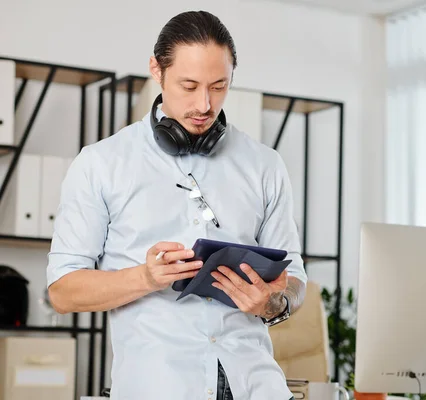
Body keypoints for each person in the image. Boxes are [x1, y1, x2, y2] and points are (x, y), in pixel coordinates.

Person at [46, 10, 307, 400]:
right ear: (157, 69)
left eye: (219, 86)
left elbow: (296, 280)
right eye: (189, 86)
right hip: (157, 387)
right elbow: (63, 291)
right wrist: (147, 278)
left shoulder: (264, 164)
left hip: (256, 386)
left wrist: (272, 303)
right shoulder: (101, 163)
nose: (204, 104)